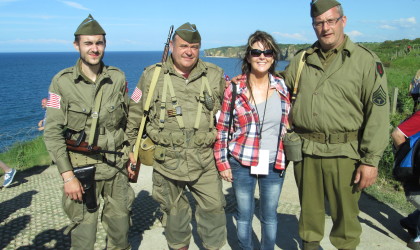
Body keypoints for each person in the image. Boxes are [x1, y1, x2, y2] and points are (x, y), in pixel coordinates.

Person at [283, 0, 389, 249]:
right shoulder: (301, 60)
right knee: (309, 218)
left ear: (343, 21)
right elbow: (277, 88)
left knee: (346, 222)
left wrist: (370, 161)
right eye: (319, 23)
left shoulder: (364, 61)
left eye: (331, 21)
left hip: (345, 154)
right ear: (313, 25)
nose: (325, 28)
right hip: (306, 152)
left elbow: (378, 115)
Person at [126, 22, 226, 250]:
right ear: (172, 46)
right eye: (183, 46)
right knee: (174, 216)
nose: (189, 51)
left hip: (204, 160)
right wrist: (130, 152)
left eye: (194, 46)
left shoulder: (214, 75)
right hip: (166, 162)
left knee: (214, 211)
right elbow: (134, 113)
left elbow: (228, 109)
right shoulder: (151, 76)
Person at [43, 14, 134, 249]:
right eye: (88, 43)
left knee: (121, 233)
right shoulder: (61, 82)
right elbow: (52, 132)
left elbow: (128, 117)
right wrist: (68, 176)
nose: (94, 49)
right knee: (83, 237)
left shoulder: (118, 77)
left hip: (116, 169)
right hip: (82, 172)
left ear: (104, 44)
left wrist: (131, 152)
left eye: (99, 43)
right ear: (77, 45)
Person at [213, 31, 290, 250]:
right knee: (244, 216)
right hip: (242, 161)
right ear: (248, 56)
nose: (262, 56)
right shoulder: (235, 89)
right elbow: (222, 128)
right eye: (256, 51)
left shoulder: (282, 87)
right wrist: (222, 163)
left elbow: (288, 122)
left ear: (274, 56)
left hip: (274, 163)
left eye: (267, 52)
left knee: (269, 216)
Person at [392, 110, 420, 249]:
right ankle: (417, 240)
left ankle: (413, 222)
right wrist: (407, 160)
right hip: (415, 181)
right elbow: (397, 134)